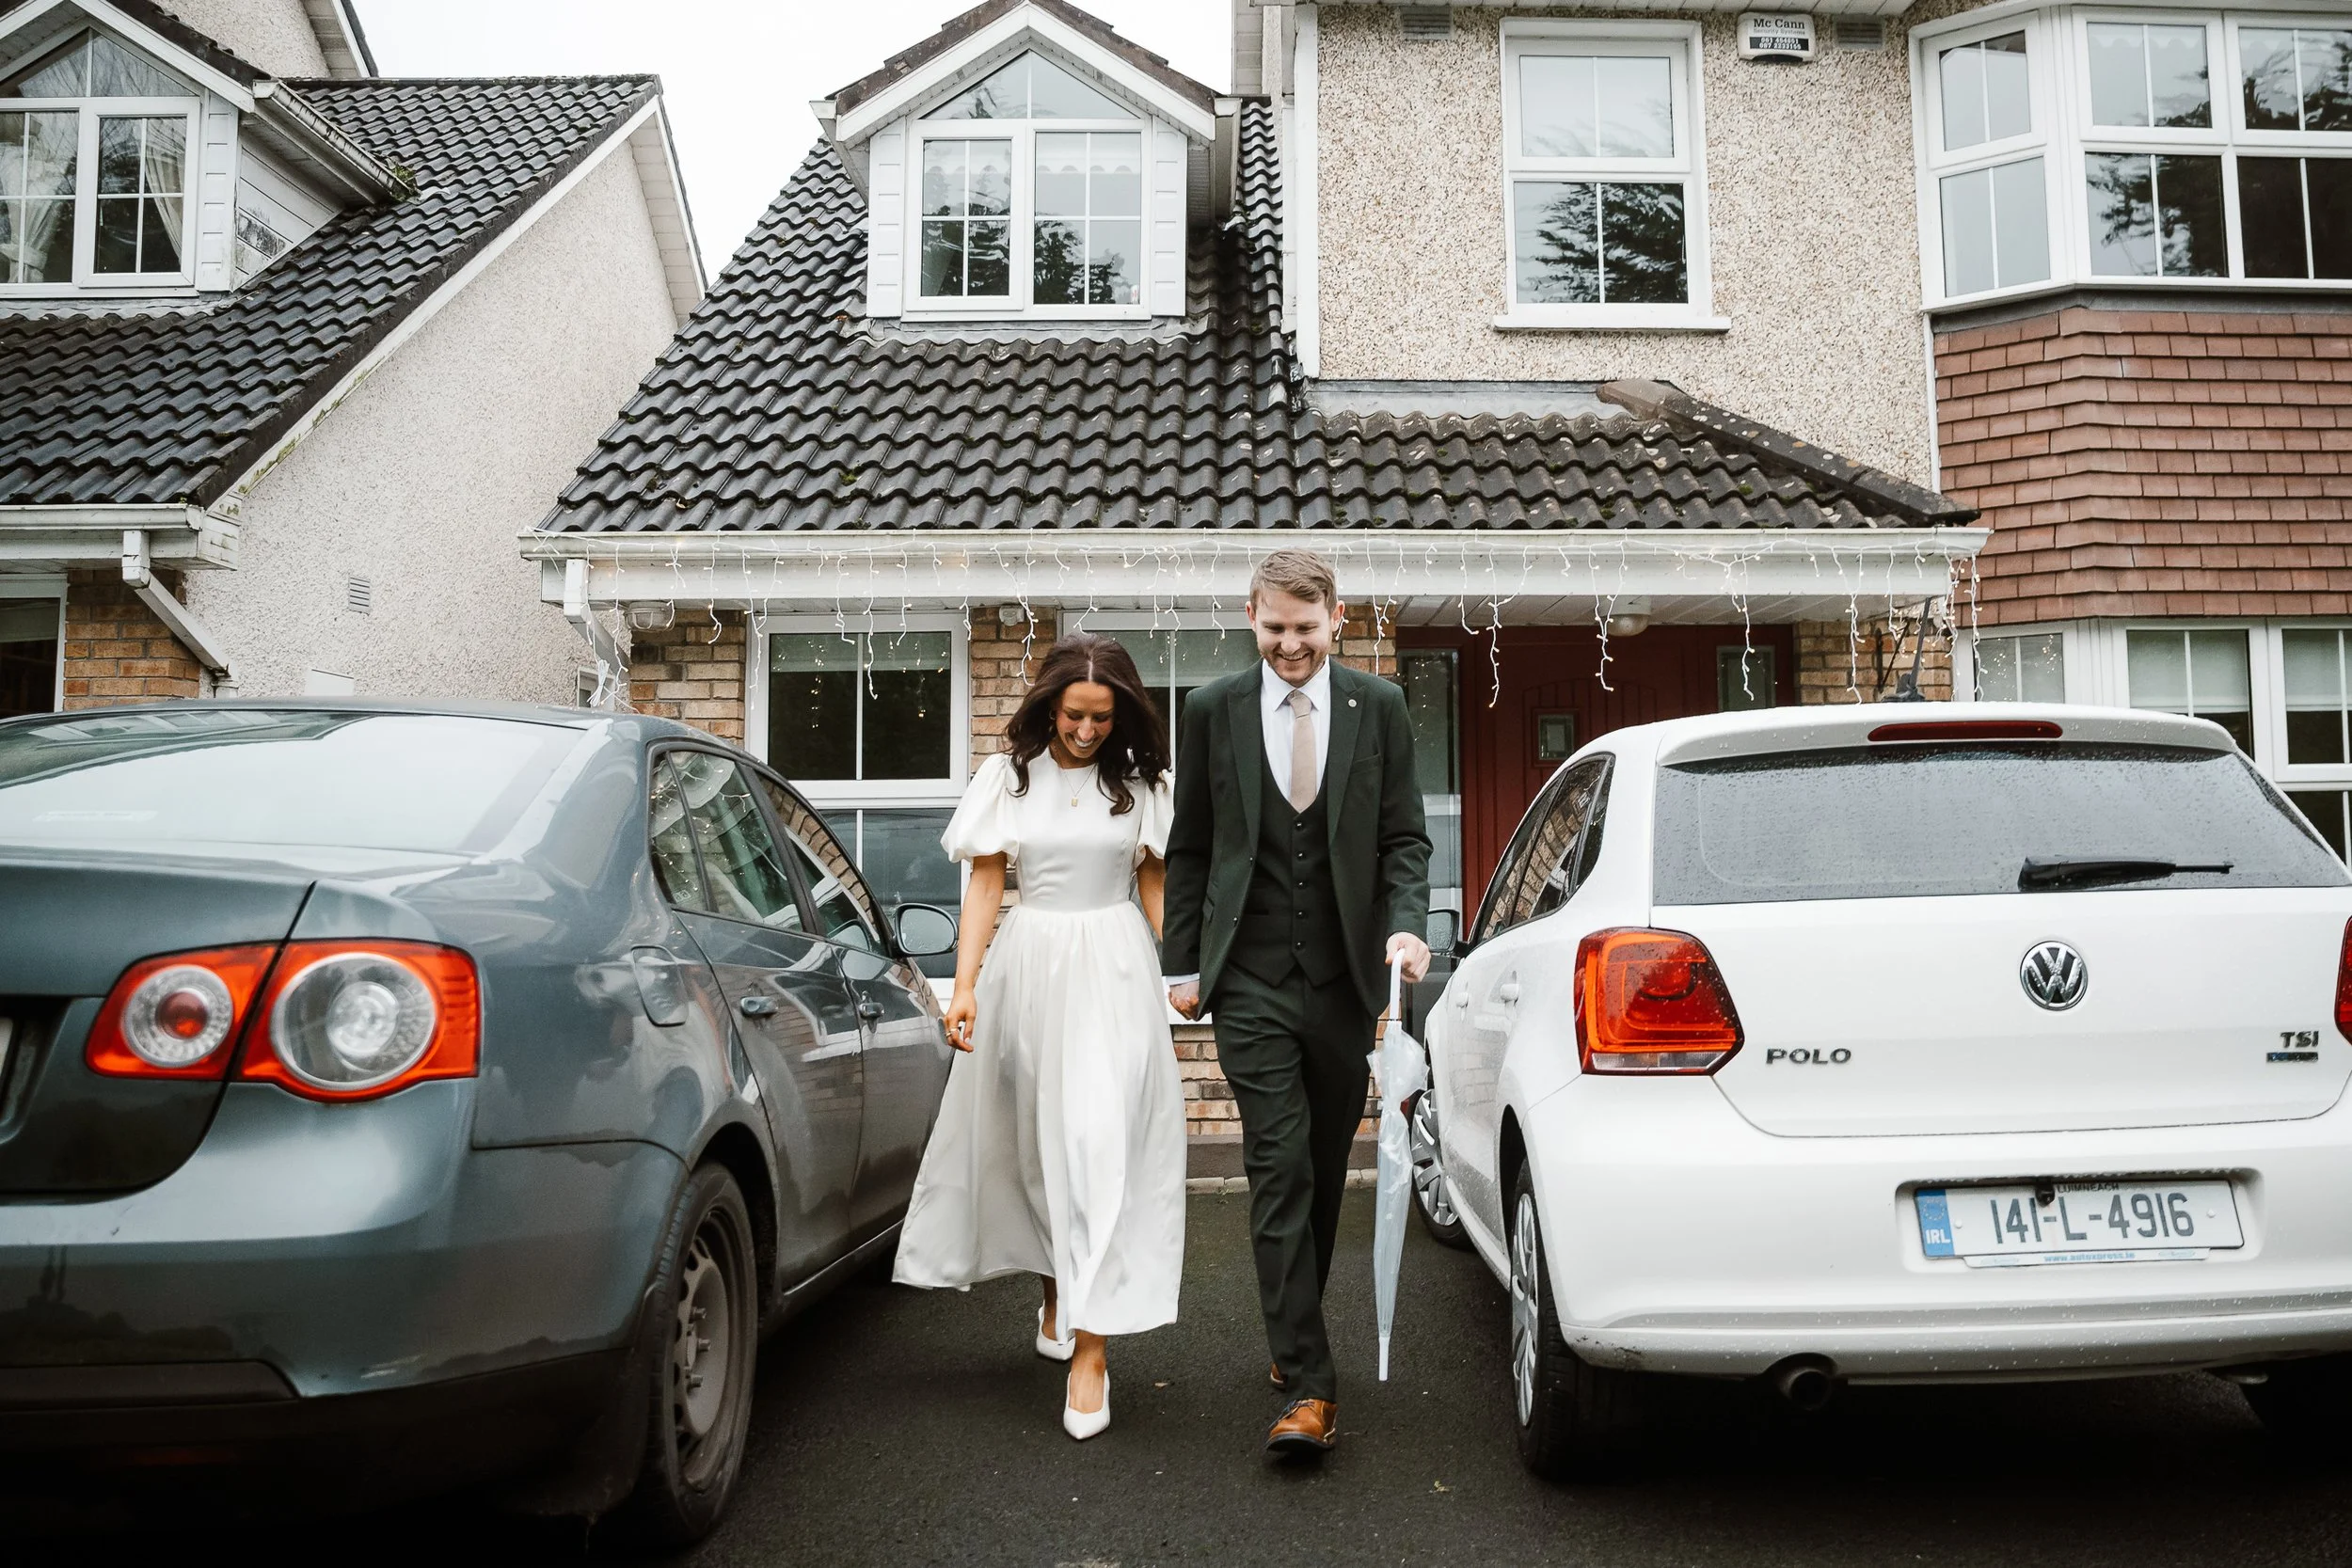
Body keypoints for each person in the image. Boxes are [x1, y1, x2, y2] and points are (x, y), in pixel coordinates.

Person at [1161, 547, 1433, 1458]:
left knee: (1319, 1168)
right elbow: (1190, 846)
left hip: (1345, 980)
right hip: (1248, 979)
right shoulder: (1210, 710)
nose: (1289, 645)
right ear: (1250, 616)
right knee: (1277, 1166)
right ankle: (1310, 1384)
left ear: (1336, 620)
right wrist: (1182, 962)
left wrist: (1404, 925)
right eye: (1274, 628)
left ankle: (1292, 1333)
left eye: (1305, 630)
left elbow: (1403, 836)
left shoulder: (1380, 706)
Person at [893, 632, 1184, 1442]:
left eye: (1102, 716)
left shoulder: (1142, 784)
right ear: (1048, 706)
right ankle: (1058, 1282)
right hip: (1029, 970)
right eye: (1073, 715)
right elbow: (987, 881)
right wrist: (963, 986)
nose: (1087, 731)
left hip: (1116, 968)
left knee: (1099, 1138)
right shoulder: (1009, 777)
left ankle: (1091, 1346)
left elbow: (1155, 882)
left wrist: (1184, 976)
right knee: (1035, 1143)